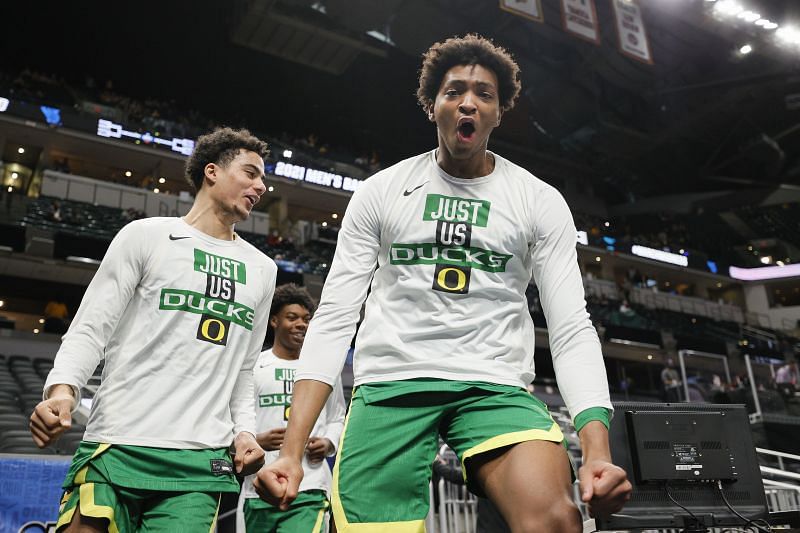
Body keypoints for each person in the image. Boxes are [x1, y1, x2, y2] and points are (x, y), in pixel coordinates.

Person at [255, 34, 631, 532]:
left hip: (492, 385)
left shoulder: (539, 201)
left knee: (555, 520)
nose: (469, 102)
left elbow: (571, 328)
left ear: (499, 112)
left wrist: (597, 449)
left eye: (484, 94)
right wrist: (292, 454)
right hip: (392, 384)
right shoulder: (381, 192)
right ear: (433, 106)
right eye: (454, 91)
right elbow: (336, 318)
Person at [30, 127, 277, 532]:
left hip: (199, 461)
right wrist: (62, 391)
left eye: (263, 179)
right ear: (211, 171)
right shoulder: (146, 236)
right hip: (117, 442)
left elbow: (245, 368)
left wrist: (246, 433)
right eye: (251, 173)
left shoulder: (263, 269)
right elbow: (91, 328)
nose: (261, 186)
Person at [239, 283, 345, 532]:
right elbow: (238, 417)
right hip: (258, 488)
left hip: (310, 486)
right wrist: (256, 441)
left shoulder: (323, 369)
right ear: (274, 321)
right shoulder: (254, 366)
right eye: (292, 317)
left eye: (306, 319)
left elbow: (338, 417)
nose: (301, 324)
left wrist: (329, 442)